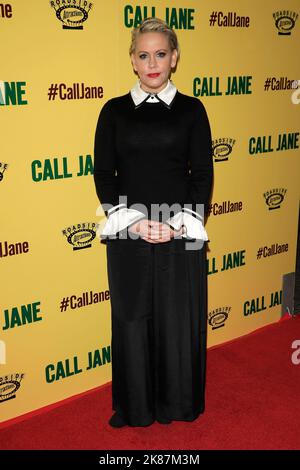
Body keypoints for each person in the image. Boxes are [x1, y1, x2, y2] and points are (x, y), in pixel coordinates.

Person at [93, 17, 213, 428]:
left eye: (160, 54)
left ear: (174, 58)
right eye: (143, 55)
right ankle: (135, 408)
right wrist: (133, 223)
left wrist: (178, 226)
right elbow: (103, 175)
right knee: (130, 321)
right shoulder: (112, 112)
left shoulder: (193, 110)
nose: (152, 63)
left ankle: (177, 405)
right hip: (130, 233)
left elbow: (202, 177)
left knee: (178, 324)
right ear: (132, 60)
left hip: (180, 231)